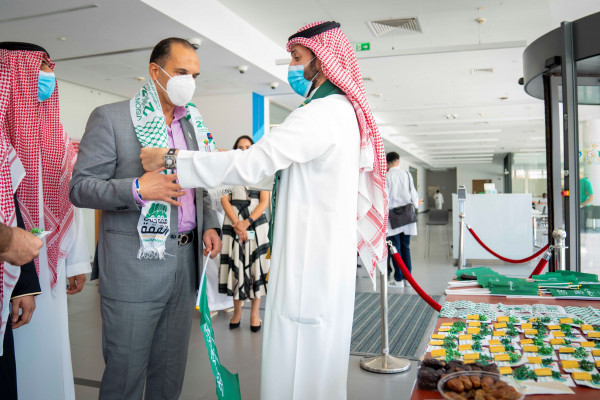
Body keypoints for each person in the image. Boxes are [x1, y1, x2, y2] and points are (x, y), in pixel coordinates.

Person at [140, 21, 388, 400]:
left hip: (309, 263)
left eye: (297, 58)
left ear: (320, 61)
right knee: (316, 364)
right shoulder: (339, 113)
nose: (292, 67)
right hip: (322, 258)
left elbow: (252, 163)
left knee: (297, 365)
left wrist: (173, 159)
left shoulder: (321, 114)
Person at [69, 37, 222, 400]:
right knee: (125, 373)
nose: (190, 81)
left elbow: (203, 181)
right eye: (182, 72)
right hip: (133, 266)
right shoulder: (112, 118)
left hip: (185, 261)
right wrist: (137, 188)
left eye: (195, 74)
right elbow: (81, 188)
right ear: (156, 71)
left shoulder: (193, 124)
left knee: (170, 372)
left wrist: (211, 221)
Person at [0, 41, 90, 400]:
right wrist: (22, 281)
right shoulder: (5, 140)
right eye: (40, 72)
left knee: (50, 356)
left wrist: (76, 262)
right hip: (11, 267)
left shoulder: (58, 139)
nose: (49, 81)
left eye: (51, 73)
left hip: (50, 266)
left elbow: (72, 203)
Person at [220, 135, 270, 332]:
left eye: (247, 147)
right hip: (234, 222)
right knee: (236, 267)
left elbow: (264, 201)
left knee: (256, 267)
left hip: (256, 224)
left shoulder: (262, 171)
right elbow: (225, 200)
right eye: (239, 147)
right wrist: (237, 224)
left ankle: (255, 314)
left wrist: (247, 223)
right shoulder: (228, 171)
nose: (243, 150)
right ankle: (237, 312)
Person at [386, 152, 422, 287]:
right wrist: (417, 204)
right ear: (398, 161)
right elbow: (413, 193)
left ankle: (398, 279)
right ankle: (408, 279)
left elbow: (385, 198)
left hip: (393, 218)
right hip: (407, 216)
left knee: (395, 248)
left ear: (387, 162)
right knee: (406, 247)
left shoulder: (387, 177)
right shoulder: (407, 174)